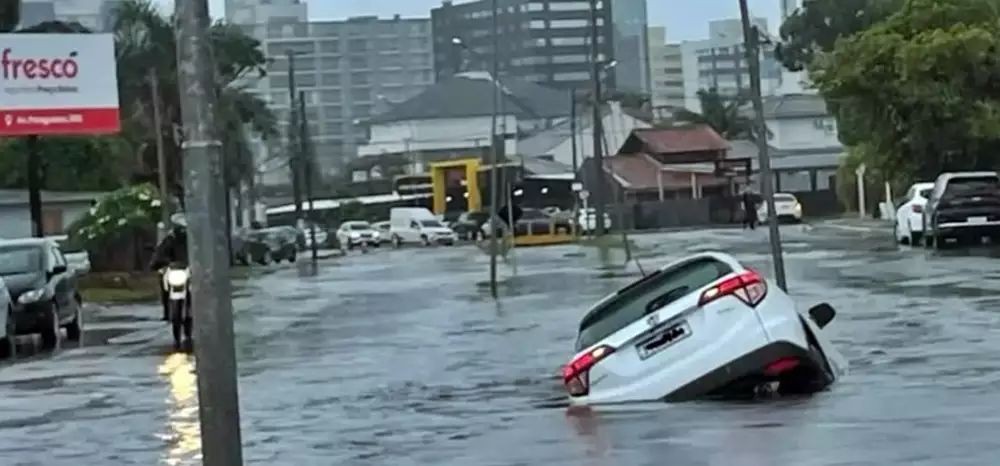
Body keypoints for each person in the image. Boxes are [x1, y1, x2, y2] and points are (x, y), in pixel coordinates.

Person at [150, 213, 189, 321]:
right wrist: (157, 262)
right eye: (180, 228)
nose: (182, 231)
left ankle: (197, 307)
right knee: (163, 279)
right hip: (174, 269)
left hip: (189, 269)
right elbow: (160, 252)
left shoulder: (193, 240)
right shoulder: (169, 239)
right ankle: (167, 310)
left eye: (184, 228)